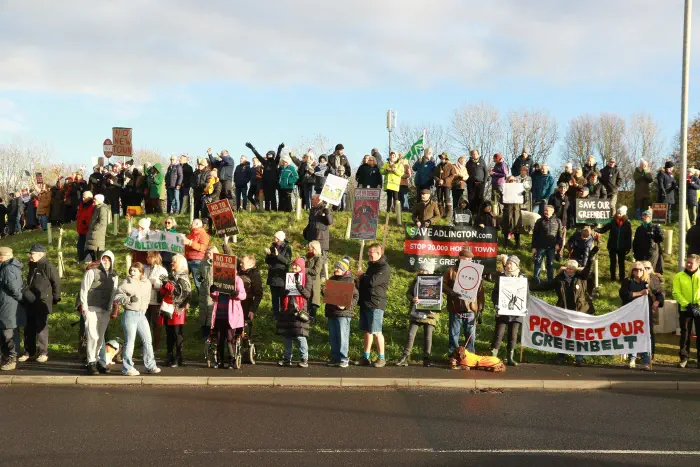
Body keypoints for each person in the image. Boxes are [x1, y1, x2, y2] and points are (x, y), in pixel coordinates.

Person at [531, 246, 599, 365]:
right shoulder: (560, 279)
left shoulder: (581, 277)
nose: (569, 270)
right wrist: (528, 287)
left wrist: (591, 258)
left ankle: (579, 358)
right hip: (564, 311)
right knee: (563, 334)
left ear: (576, 269)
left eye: (572, 269)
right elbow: (545, 285)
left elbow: (587, 270)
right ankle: (561, 356)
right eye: (568, 268)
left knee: (579, 335)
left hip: (579, 311)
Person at [113, 262, 160, 376]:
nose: (132, 272)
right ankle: (127, 368)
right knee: (130, 342)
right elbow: (117, 297)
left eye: (135, 270)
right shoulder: (125, 283)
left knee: (148, 340)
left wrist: (145, 308)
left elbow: (148, 296)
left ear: (141, 272)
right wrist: (128, 299)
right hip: (129, 314)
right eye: (131, 270)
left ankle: (150, 365)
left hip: (141, 315)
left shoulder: (146, 283)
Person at [19, 245, 60, 363]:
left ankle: (43, 353)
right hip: (30, 301)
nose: (30, 256)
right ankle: (29, 352)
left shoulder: (48, 266)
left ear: (40, 254)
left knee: (41, 328)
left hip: (42, 301)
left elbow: (56, 282)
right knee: (29, 328)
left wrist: (56, 298)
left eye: (32, 253)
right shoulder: (32, 265)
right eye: (30, 253)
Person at [619, 261, 663, 371]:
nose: (638, 271)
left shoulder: (649, 281)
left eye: (640, 269)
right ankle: (632, 358)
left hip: (645, 314)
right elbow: (624, 294)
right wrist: (640, 293)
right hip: (631, 314)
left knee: (645, 336)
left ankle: (646, 360)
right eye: (635, 269)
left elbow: (660, 294)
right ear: (632, 271)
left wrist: (657, 302)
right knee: (632, 335)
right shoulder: (628, 281)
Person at [79, 251, 118, 375]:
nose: (106, 261)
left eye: (108, 259)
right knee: (92, 335)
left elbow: (114, 292)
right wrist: (84, 308)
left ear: (112, 261)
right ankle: (91, 362)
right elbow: (84, 290)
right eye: (104, 259)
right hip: (90, 308)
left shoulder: (114, 276)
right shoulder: (91, 272)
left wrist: (111, 307)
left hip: (105, 309)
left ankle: (98, 361)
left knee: (100, 337)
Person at [442, 248, 484, 362]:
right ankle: (453, 356)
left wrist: (480, 308)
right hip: (455, 308)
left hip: (471, 309)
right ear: (460, 258)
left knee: (470, 335)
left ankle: (470, 357)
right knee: (453, 334)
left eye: (470, 259)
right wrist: (451, 292)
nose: (469, 261)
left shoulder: (476, 272)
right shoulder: (451, 271)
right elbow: (443, 284)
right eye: (466, 258)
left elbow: (480, 291)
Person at [396, 267, 440, 367]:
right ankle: (405, 357)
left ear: (430, 272)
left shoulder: (436, 282)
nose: (422, 272)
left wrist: (436, 303)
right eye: (421, 270)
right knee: (411, 334)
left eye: (425, 270)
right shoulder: (416, 280)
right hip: (416, 312)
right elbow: (408, 293)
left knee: (428, 336)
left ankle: (426, 358)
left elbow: (441, 298)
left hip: (430, 314)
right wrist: (413, 299)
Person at [357, 243, 390, 367]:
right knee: (367, 331)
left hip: (376, 303)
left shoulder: (384, 268)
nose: (369, 256)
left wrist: (362, 276)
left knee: (376, 331)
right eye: (368, 254)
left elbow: (372, 282)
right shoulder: (371, 266)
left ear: (379, 253)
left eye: (371, 254)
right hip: (366, 302)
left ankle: (382, 358)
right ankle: (366, 357)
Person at [490, 256, 527, 366]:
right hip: (503, 311)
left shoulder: (522, 279)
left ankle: (510, 357)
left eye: (511, 263)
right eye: (508, 263)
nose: (508, 265)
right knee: (498, 334)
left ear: (516, 266)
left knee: (513, 335)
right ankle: (493, 356)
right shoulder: (501, 277)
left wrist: (525, 307)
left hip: (517, 312)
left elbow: (527, 295)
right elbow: (495, 293)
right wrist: (497, 304)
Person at [277, 258, 313, 367]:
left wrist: (298, 286)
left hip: (300, 310)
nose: (293, 268)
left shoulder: (307, 277)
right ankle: (287, 358)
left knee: (300, 335)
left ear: (301, 266)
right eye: (293, 266)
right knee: (287, 335)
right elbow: (281, 295)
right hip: (288, 309)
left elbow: (307, 294)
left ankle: (304, 359)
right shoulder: (288, 276)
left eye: (296, 266)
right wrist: (285, 291)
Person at [324, 256, 358, 368]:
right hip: (332, 312)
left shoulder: (349, 280)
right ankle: (335, 358)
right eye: (335, 268)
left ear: (343, 270)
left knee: (342, 336)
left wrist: (346, 306)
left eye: (338, 268)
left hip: (343, 314)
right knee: (333, 337)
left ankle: (343, 358)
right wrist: (324, 291)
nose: (335, 270)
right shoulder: (332, 279)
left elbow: (356, 296)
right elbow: (328, 295)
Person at [209, 269, 247, 369]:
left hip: (231, 315)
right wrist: (212, 291)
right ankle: (220, 361)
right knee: (219, 339)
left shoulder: (237, 280)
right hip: (219, 314)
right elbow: (214, 296)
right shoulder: (219, 280)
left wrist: (236, 294)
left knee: (230, 339)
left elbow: (243, 295)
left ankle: (232, 360)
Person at [160, 254, 191, 367]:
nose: (172, 263)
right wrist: (163, 286)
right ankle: (169, 355)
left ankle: (178, 357)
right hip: (168, 307)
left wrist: (168, 285)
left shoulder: (183, 277)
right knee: (169, 333)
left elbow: (182, 293)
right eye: (172, 261)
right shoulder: (170, 276)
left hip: (178, 308)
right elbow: (165, 292)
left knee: (177, 333)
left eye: (174, 262)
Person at [672, 254, 700, 369]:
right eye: (687, 262)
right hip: (685, 309)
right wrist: (687, 304)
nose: (688, 264)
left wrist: (697, 305)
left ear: (698, 264)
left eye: (691, 262)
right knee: (685, 334)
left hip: (698, 309)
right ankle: (684, 358)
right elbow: (675, 292)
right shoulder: (679, 276)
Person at [0, 247, 23, 371]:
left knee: (8, 333)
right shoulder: (8, 267)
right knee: (5, 332)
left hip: (8, 306)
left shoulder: (8, 269)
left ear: (2, 257)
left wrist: (20, 299)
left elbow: (13, 288)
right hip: (7, 305)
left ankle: (12, 359)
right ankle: (6, 358)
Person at [595, 206, 632, 282]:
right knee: (613, 262)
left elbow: (629, 236)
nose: (618, 214)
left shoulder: (627, 223)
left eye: (620, 213)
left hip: (622, 247)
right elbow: (603, 230)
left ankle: (622, 278)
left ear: (624, 214)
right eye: (618, 213)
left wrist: (628, 247)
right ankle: (612, 278)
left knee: (621, 263)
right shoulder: (612, 221)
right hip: (612, 246)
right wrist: (595, 229)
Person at [247, 142, 283, 211]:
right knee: (266, 197)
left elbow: (278, 155)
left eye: (270, 154)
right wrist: (252, 148)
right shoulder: (264, 162)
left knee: (273, 196)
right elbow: (258, 155)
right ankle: (267, 209)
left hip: (273, 182)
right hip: (265, 182)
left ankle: (274, 209)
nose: (269, 155)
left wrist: (279, 148)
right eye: (268, 154)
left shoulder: (275, 162)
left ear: (273, 155)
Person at [531, 205, 563, 283]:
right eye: (544, 210)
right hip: (540, 246)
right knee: (537, 262)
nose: (545, 212)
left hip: (552, 246)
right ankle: (536, 280)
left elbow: (560, 234)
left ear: (552, 212)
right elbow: (534, 235)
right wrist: (533, 247)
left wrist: (558, 244)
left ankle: (550, 281)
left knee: (550, 264)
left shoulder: (558, 221)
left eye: (547, 210)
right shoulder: (539, 221)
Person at [144, 251, 168, 351]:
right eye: (147, 257)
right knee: (145, 324)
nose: (147, 259)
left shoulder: (162, 270)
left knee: (156, 324)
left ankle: (156, 345)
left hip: (156, 300)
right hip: (145, 300)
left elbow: (165, 284)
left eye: (150, 257)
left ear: (155, 258)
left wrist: (155, 284)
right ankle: (145, 344)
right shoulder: (144, 268)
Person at [265, 231, 292, 316]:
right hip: (272, 275)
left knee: (282, 296)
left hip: (281, 276)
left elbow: (287, 261)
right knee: (274, 297)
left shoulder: (287, 248)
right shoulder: (272, 246)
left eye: (275, 237)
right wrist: (268, 255)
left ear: (280, 239)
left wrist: (277, 255)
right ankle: (275, 314)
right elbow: (267, 261)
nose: (274, 239)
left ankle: (283, 314)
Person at [304, 195, 333, 275]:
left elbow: (330, 222)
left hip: (321, 239)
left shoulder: (326, 208)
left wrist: (327, 213)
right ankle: (312, 273)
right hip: (312, 238)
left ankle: (323, 275)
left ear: (318, 199)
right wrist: (306, 231)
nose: (311, 200)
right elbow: (310, 223)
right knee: (311, 257)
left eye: (312, 199)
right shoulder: (312, 210)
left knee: (322, 258)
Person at [238, 254, 263, 341]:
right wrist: (225, 245)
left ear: (250, 264)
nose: (240, 264)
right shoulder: (240, 271)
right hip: (236, 302)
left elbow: (258, 294)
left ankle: (246, 348)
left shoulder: (254, 275)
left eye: (242, 263)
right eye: (240, 263)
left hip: (247, 303)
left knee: (245, 327)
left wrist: (253, 309)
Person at [184, 219, 210, 291]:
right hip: (187, 259)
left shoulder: (203, 234)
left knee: (198, 282)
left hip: (197, 261)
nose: (191, 224)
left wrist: (190, 243)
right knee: (182, 279)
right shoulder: (191, 234)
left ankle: (201, 300)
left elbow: (202, 248)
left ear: (198, 224)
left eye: (192, 223)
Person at [501, 176, 524, 249]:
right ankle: (506, 242)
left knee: (517, 226)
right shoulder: (504, 189)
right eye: (510, 180)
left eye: (514, 180)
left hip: (516, 210)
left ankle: (517, 243)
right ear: (507, 181)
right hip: (507, 209)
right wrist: (502, 194)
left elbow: (524, 201)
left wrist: (524, 194)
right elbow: (500, 200)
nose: (512, 181)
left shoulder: (519, 190)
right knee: (506, 226)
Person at [433, 152, 456, 219]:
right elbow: (434, 175)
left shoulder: (450, 166)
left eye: (443, 158)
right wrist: (438, 180)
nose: (442, 159)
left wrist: (444, 180)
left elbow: (452, 175)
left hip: (447, 185)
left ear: (446, 158)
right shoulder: (438, 166)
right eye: (441, 158)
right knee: (439, 198)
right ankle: (441, 213)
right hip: (439, 185)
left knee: (447, 198)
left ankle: (448, 214)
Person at [305, 241, 323, 322]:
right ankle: (305, 316)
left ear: (314, 248)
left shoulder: (319, 258)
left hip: (314, 282)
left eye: (310, 247)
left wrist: (305, 269)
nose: (308, 248)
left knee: (314, 300)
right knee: (307, 298)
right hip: (306, 281)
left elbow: (316, 271)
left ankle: (313, 318)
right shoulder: (307, 256)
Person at [75, 191, 95, 262]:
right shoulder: (81, 205)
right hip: (81, 230)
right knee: (80, 247)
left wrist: (86, 223)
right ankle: (81, 260)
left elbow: (91, 218)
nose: (83, 199)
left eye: (84, 197)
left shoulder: (93, 206)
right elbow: (79, 215)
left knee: (88, 248)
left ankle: (89, 261)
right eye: (82, 197)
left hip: (88, 230)